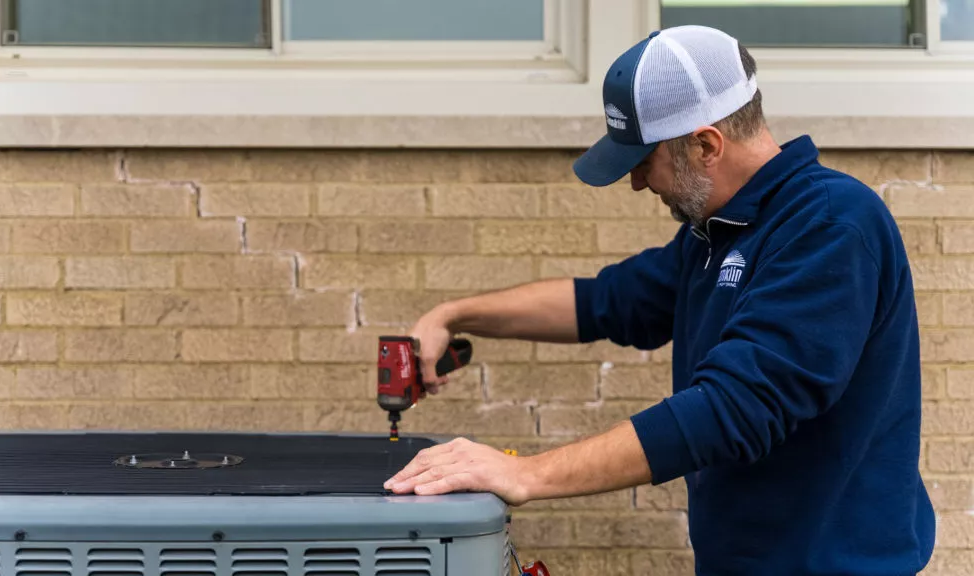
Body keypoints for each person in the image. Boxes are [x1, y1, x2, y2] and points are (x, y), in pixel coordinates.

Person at [383, 24, 936, 575]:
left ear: (705, 144)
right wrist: (453, 315)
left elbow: (733, 408)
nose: (638, 183)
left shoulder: (832, 225)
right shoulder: (716, 231)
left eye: (645, 162)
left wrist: (527, 474)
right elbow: (604, 301)